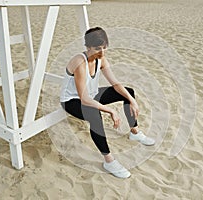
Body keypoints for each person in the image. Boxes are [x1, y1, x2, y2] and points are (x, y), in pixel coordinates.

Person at [60, 27, 155, 178]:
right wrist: (110, 110)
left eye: (104, 48)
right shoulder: (79, 62)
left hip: (91, 95)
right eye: (98, 48)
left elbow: (116, 84)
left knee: (128, 92)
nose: (102, 52)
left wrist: (132, 101)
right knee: (94, 114)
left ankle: (134, 132)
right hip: (72, 100)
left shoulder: (101, 59)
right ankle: (109, 161)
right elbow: (84, 99)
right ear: (88, 47)